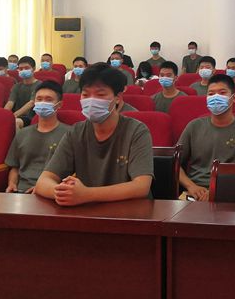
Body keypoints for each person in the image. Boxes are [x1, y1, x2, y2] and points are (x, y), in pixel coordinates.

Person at [36, 63, 153, 205]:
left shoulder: (136, 131)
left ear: (118, 97)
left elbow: (141, 186)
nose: (91, 100)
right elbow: (43, 181)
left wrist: (86, 194)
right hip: (87, 211)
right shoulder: (75, 132)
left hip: (129, 211)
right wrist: (63, 192)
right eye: (85, 95)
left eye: (100, 95)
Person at [177, 73, 235, 201]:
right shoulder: (194, 126)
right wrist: (191, 186)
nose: (216, 97)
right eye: (211, 94)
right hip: (195, 191)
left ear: (233, 98)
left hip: (232, 192)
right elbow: (175, 163)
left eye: (222, 93)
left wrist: (217, 191)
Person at [4, 81, 68, 193]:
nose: (43, 103)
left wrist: (44, 189)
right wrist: (12, 184)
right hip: (21, 192)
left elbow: (74, 172)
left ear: (59, 104)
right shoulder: (22, 133)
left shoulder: (69, 134)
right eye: (39, 99)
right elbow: (15, 167)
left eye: (48, 100)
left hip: (52, 192)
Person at [4, 56, 40, 128]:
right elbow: (10, 102)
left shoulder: (40, 85)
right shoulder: (16, 86)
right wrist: (3, 114)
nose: (23, 70)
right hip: (17, 116)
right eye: (21, 69)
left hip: (31, 117)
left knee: (15, 122)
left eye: (26, 68)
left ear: (33, 68)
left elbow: (31, 103)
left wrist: (14, 115)